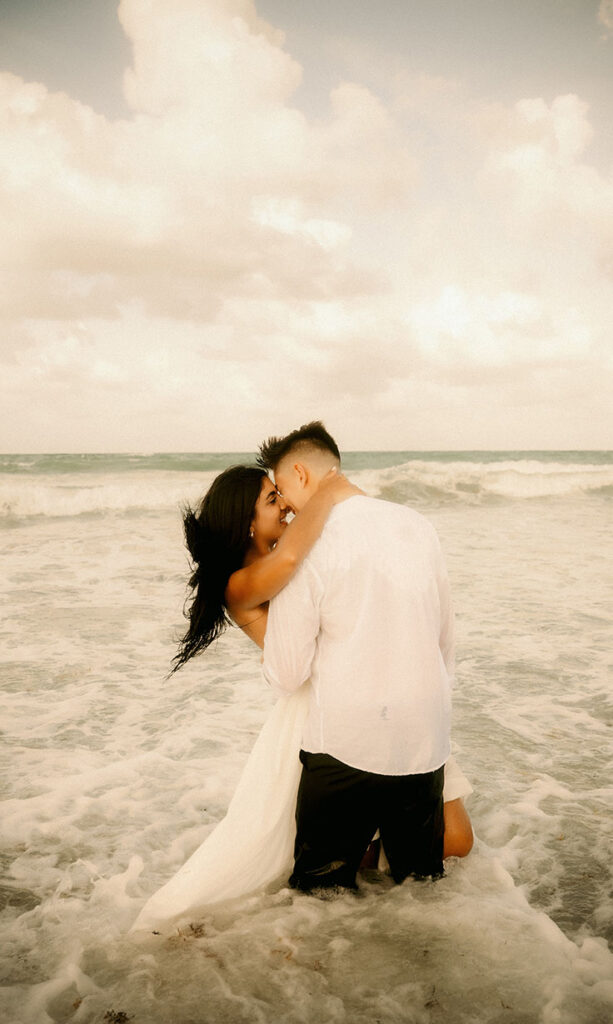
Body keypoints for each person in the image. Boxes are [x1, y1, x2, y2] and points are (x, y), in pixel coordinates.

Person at [130, 451, 472, 934]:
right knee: (337, 862)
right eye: (273, 500)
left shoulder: (294, 557)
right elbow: (293, 560)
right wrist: (329, 493)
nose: (286, 508)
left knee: (456, 840)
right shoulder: (245, 582)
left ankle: (372, 869)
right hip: (325, 707)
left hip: (378, 694)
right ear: (247, 523)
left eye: (281, 494)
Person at [259, 421, 471, 892]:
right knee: (418, 891)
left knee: (322, 900)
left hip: (346, 746)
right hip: (424, 740)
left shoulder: (306, 545)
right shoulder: (419, 525)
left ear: (300, 472)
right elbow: (445, 641)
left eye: (282, 492)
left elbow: (287, 674)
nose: (288, 509)